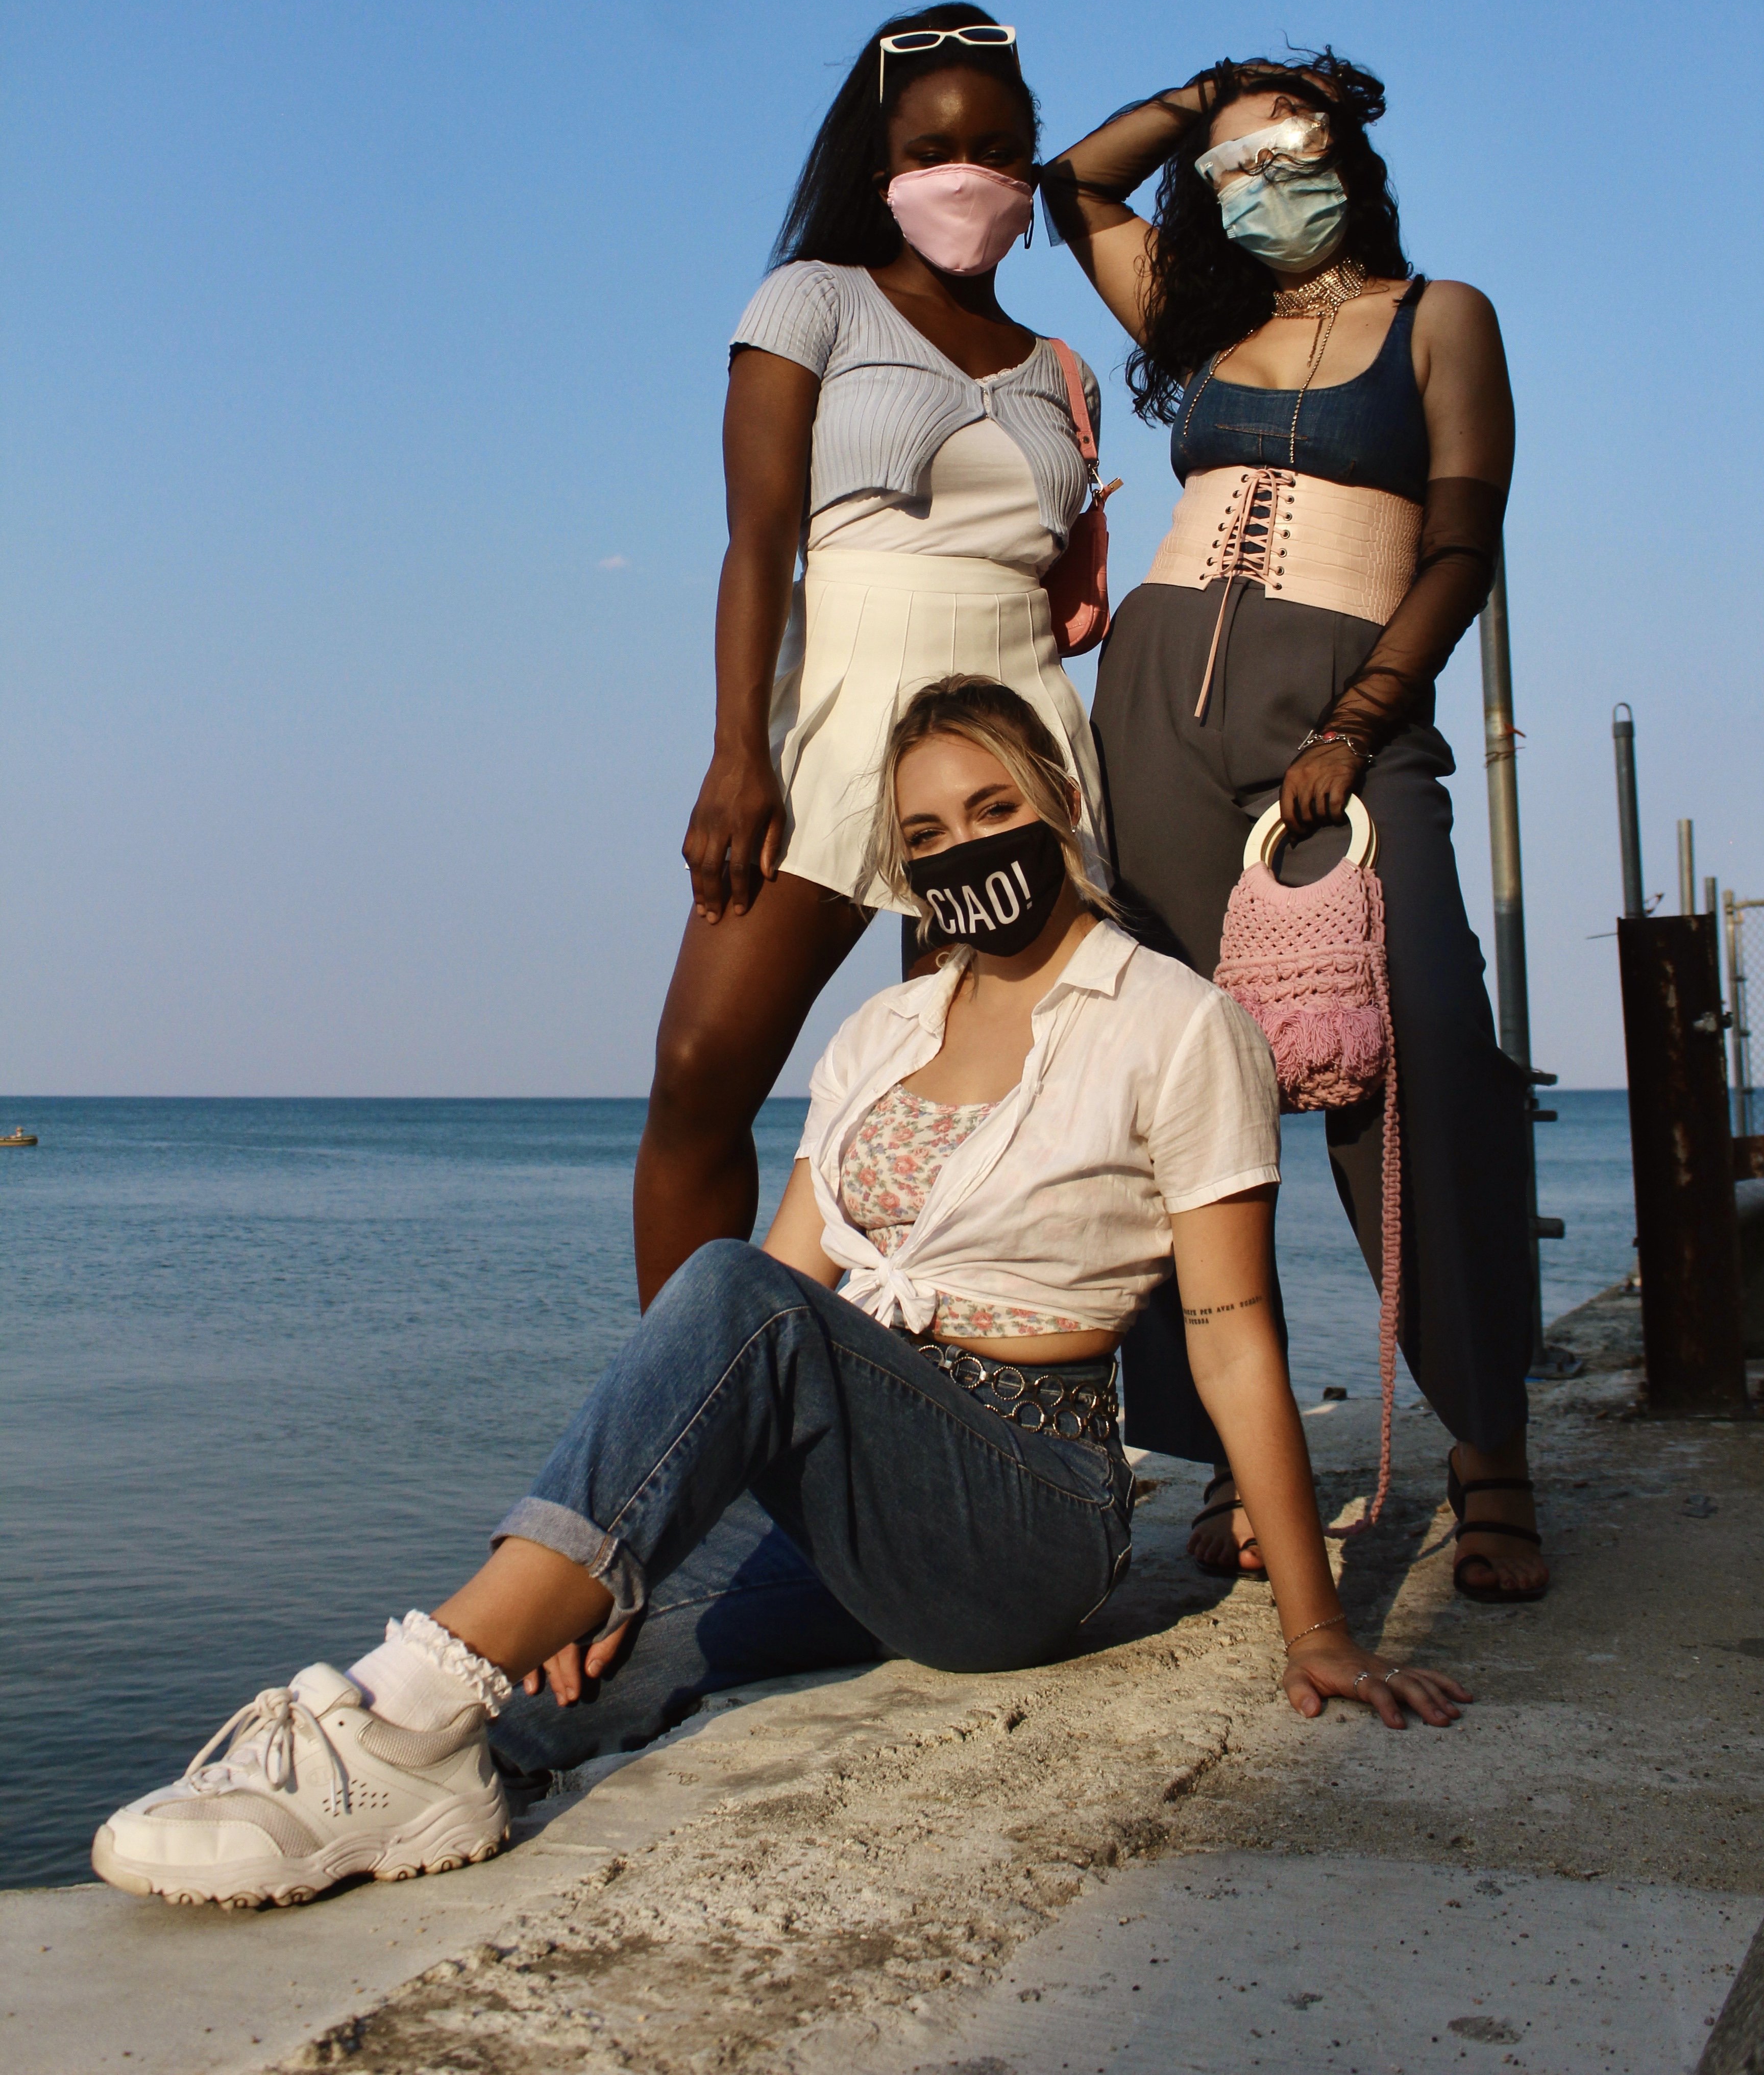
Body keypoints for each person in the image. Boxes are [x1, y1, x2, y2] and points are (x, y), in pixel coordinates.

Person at [92, 678, 1469, 1911]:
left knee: (723, 1285)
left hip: (1029, 1505)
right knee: (603, 1674)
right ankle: (385, 1792)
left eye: (993, 808)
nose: (964, 851)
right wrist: (606, 1558)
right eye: (926, 838)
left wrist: (1319, 1627)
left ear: (1058, 804)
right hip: (860, 1480)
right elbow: (794, 1296)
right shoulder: (880, 1033)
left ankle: (392, 1711)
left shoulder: (1177, 1022)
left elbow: (1231, 1339)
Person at [1041, 53, 1547, 1603]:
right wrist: (1216, 92)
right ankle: (1228, 1455)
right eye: (1235, 166)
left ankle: (1489, 1445)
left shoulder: (1441, 316)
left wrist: (1359, 719)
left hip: (1345, 711)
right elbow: (1074, 187)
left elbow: (1461, 542)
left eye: (1292, 151)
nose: (1264, 181)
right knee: (1168, 1071)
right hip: (1152, 723)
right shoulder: (1199, 325)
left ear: (1350, 154)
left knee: (1429, 1050)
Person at [633, 4, 1109, 1313]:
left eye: (1002, 148)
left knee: (982, 1116)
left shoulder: (1063, 368)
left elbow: (1066, 583)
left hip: (1017, 740)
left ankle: (947, 1430)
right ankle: (691, 1414)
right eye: (936, 146)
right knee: (698, 1070)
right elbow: (758, 541)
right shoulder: (812, 302)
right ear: (881, 159)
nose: (972, 174)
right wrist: (737, 752)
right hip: (839, 722)